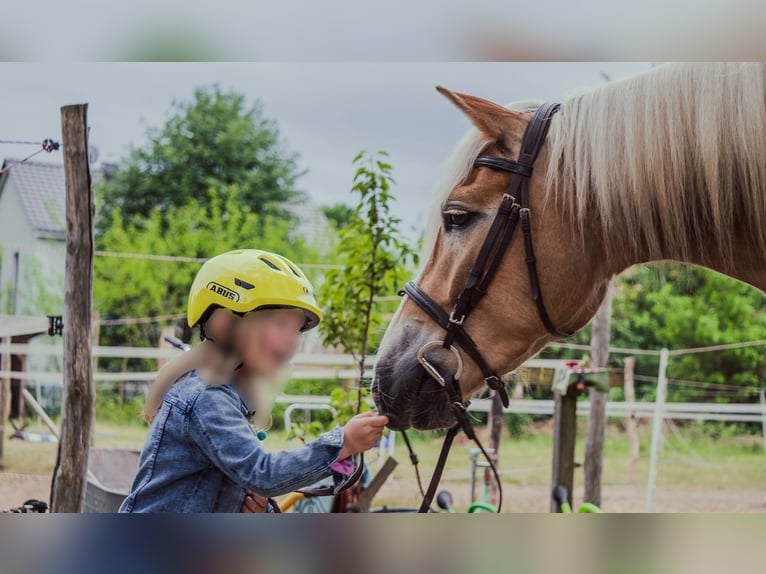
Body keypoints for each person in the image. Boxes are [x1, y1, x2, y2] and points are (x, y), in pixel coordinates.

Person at [119, 249, 388, 513]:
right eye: (279, 325)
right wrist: (343, 442)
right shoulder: (207, 397)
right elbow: (263, 473)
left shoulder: (231, 399)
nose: (291, 342)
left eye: (295, 331)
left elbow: (243, 483)